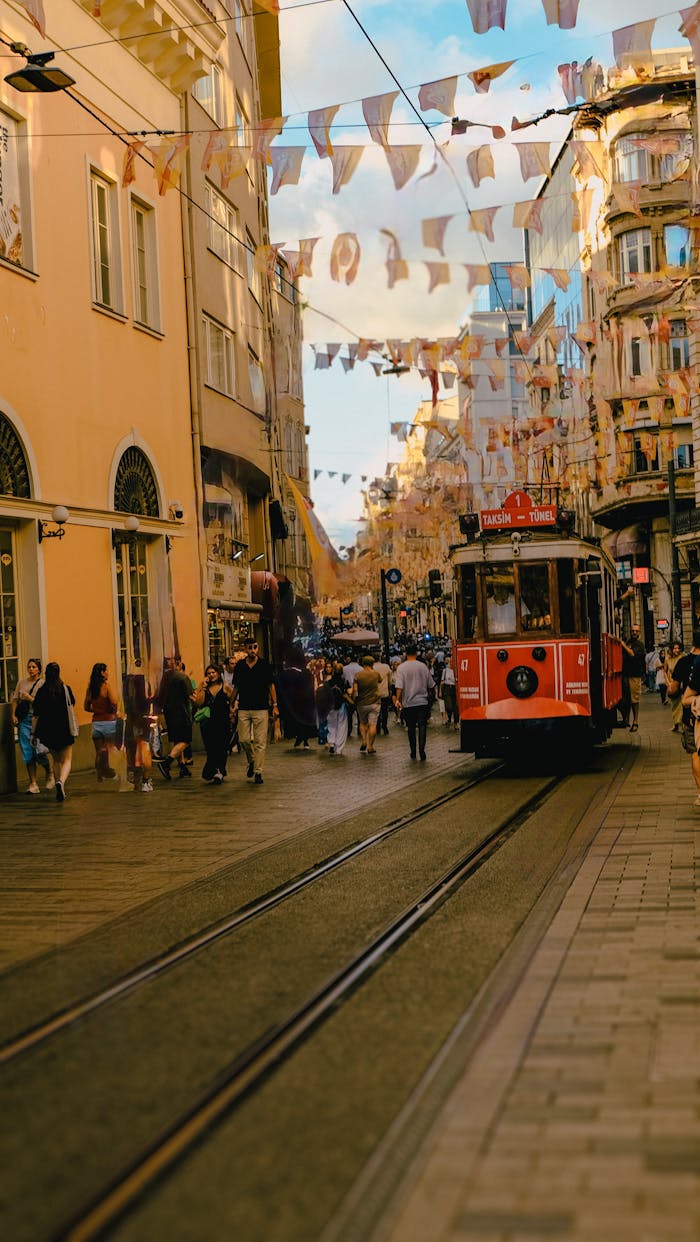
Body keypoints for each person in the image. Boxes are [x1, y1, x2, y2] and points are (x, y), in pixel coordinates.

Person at [231, 637, 279, 785]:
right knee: (243, 739)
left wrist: (275, 704)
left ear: (257, 648)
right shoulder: (240, 666)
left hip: (261, 708)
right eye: (250, 647)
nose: (252, 650)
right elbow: (236, 687)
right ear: (245, 649)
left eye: (255, 647)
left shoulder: (264, 665)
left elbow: (271, 686)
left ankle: (258, 771)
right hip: (244, 707)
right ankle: (252, 760)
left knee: (260, 742)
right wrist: (231, 703)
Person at [31, 662, 78, 802]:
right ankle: (61, 782)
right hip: (64, 728)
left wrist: (33, 733)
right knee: (67, 759)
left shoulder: (42, 691)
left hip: (48, 731)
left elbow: (36, 714)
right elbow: (72, 704)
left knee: (56, 759)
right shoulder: (65, 689)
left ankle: (58, 783)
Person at [11, 658, 55, 794]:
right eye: (29, 667)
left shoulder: (43, 684)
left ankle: (49, 772)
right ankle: (33, 783)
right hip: (24, 720)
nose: (31, 669)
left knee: (40, 751)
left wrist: (30, 699)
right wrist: (13, 715)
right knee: (27, 752)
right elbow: (15, 700)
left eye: (34, 667)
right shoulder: (21, 683)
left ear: (39, 669)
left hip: (38, 720)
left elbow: (45, 704)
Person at [670, 630, 700, 806]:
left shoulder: (684, 662)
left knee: (696, 753)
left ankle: (699, 793)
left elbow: (674, 690)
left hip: (692, 716)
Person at [193, 664, 234, 785]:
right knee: (211, 747)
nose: (211, 675)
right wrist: (201, 687)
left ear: (218, 673)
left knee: (222, 747)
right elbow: (198, 703)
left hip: (223, 721)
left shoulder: (225, 687)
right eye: (209, 673)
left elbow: (233, 699)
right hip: (208, 723)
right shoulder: (205, 689)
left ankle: (219, 770)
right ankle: (214, 769)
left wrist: (232, 711)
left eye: (213, 672)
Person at [394, 642, 435, 761]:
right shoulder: (423, 666)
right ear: (416, 653)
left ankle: (413, 751)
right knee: (422, 726)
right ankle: (422, 750)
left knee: (411, 727)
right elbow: (431, 684)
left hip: (408, 703)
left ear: (406, 654)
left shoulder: (401, 668)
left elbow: (399, 686)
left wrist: (397, 700)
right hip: (422, 701)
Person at [156, 660, 195, 780]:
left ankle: (182, 766)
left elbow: (160, 696)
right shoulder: (182, 677)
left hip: (169, 713)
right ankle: (167, 762)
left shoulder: (164, 678)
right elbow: (191, 696)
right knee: (185, 740)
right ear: (178, 664)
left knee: (177, 739)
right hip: (182, 712)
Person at [84, 662, 119, 782]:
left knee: (99, 751)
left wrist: (96, 710)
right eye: (106, 671)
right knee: (110, 749)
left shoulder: (91, 688)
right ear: (102, 673)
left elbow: (86, 706)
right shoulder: (106, 686)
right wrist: (113, 711)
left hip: (96, 723)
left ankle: (100, 774)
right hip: (109, 722)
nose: (108, 673)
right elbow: (114, 702)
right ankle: (110, 771)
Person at [123, 663, 154, 793]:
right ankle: (145, 781)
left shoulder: (126, 683)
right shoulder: (145, 682)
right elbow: (152, 700)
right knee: (144, 748)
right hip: (144, 718)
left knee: (132, 748)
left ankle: (135, 778)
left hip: (130, 719)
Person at [278, 647, 317, 750]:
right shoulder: (305, 673)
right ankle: (303, 739)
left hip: (296, 703)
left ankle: (301, 738)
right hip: (303, 703)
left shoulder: (287, 674)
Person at [353, 654, 381, 755]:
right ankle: (370, 746)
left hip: (362, 703)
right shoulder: (376, 674)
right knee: (372, 724)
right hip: (374, 702)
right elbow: (380, 682)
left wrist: (354, 699)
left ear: (363, 663)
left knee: (363, 723)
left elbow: (355, 690)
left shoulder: (358, 675)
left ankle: (364, 740)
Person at [621, 624, 646, 733]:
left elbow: (631, 654)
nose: (634, 633)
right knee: (625, 698)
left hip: (635, 675)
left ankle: (635, 721)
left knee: (634, 700)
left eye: (636, 631)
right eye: (633, 631)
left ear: (639, 632)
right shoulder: (629, 642)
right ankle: (626, 719)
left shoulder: (640, 645)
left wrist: (623, 645)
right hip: (626, 674)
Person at [325, 661, 350, 756]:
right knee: (342, 726)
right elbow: (349, 691)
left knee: (331, 725)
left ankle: (331, 743)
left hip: (331, 706)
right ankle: (339, 748)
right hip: (341, 705)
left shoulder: (328, 682)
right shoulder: (344, 682)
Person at [665, 641, 684, 732]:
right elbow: (665, 671)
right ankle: (675, 724)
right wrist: (668, 683)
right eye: (675, 648)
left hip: (682, 683)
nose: (677, 650)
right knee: (673, 705)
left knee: (682, 705)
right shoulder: (668, 659)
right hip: (672, 684)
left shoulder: (682, 657)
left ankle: (682, 725)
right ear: (671, 649)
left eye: (678, 648)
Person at [342, 654, 362, 738]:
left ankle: (349, 730)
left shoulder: (345, 668)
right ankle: (360, 731)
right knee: (359, 713)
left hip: (348, 692)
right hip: (358, 692)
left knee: (349, 714)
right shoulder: (361, 669)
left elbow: (343, 679)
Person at [373, 654, 392, 736]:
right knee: (384, 710)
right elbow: (390, 680)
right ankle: (384, 725)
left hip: (375, 693)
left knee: (376, 711)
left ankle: (377, 726)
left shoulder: (371, 668)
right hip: (384, 692)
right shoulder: (386, 667)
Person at [440, 655, 458, 727]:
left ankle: (456, 723)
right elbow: (442, 681)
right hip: (447, 688)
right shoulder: (445, 670)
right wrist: (440, 691)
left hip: (455, 688)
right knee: (449, 706)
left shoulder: (457, 670)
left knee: (456, 707)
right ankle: (449, 718)